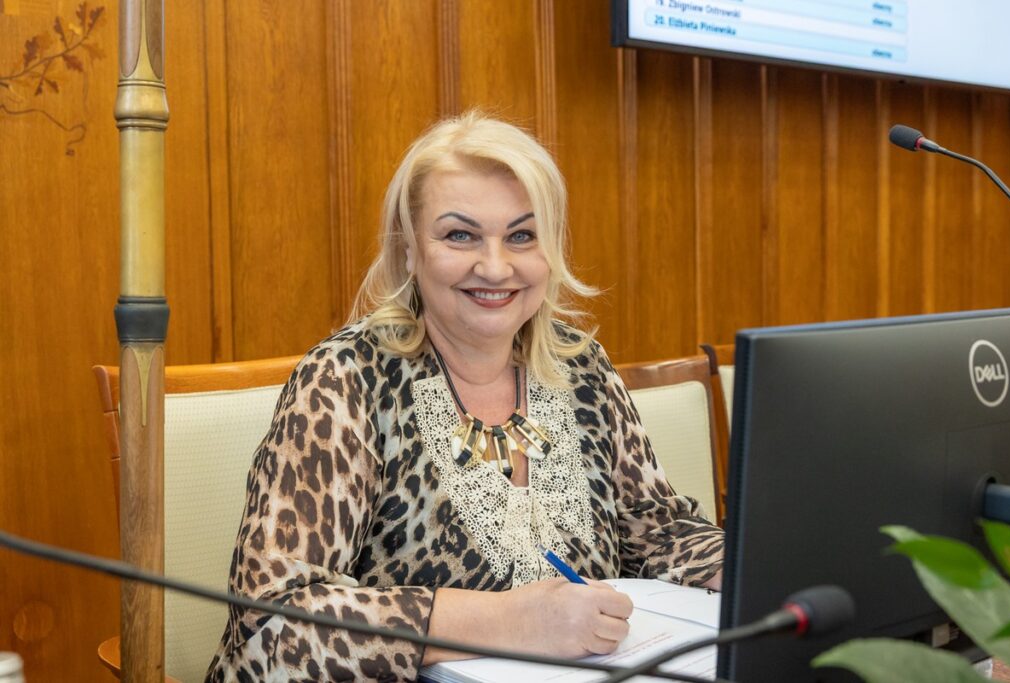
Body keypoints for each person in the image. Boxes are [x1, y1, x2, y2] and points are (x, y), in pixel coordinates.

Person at [205, 111, 724, 682]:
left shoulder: (582, 369)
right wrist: (507, 620)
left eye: (522, 236)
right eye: (461, 235)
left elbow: (657, 529)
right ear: (408, 249)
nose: (496, 266)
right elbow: (272, 625)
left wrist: (769, 567)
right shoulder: (345, 378)